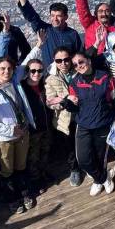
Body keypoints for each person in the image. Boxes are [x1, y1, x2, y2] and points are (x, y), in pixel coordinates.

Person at [0, 55, 37, 214]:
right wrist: (9, 130)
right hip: (5, 140)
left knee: (21, 166)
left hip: (23, 134)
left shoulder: (15, 83)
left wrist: (39, 46)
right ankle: (12, 198)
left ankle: (24, 193)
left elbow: (25, 64)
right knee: (7, 171)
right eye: (2, 68)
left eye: (9, 68)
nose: (6, 71)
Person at [64, 52, 115, 196]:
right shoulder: (74, 82)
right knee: (83, 159)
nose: (79, 66)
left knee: (100, 156)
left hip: (103, 122)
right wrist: (66, 102)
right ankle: (103, 178)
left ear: (89, 61)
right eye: (76, 64)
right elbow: (74, 108)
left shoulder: (105, 77)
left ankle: (97, 181)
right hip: (83, 124)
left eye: (81, 62)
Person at [13, 0, 83, 64]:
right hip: (49, 74)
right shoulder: (45, 30)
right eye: (52, 16)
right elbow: (32, 17)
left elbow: (79, 55)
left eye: (59, 16)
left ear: (66, 17)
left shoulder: (73, 34)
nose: (55, 19)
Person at [45, 46, 82, 186]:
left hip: (81, 115)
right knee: (69, 147)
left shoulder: (78, 71)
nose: (63, 63)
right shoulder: (51, 79)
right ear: (54, 61)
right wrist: (64, 101)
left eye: (66, 59)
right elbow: (50, 102)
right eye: (59, 61)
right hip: (64, 119)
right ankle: (74, 169)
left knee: (83, 144)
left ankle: (87, 165)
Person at [21, 57, 54, 195]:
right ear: (27, 71)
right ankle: (36, 180)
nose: (36, 73)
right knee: (33, 156)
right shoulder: (21, 87)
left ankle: (43, 173)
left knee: (45, 151)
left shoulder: (44, 85)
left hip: (46, 126)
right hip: (32, 129)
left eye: (39, 70)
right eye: (32, 70)